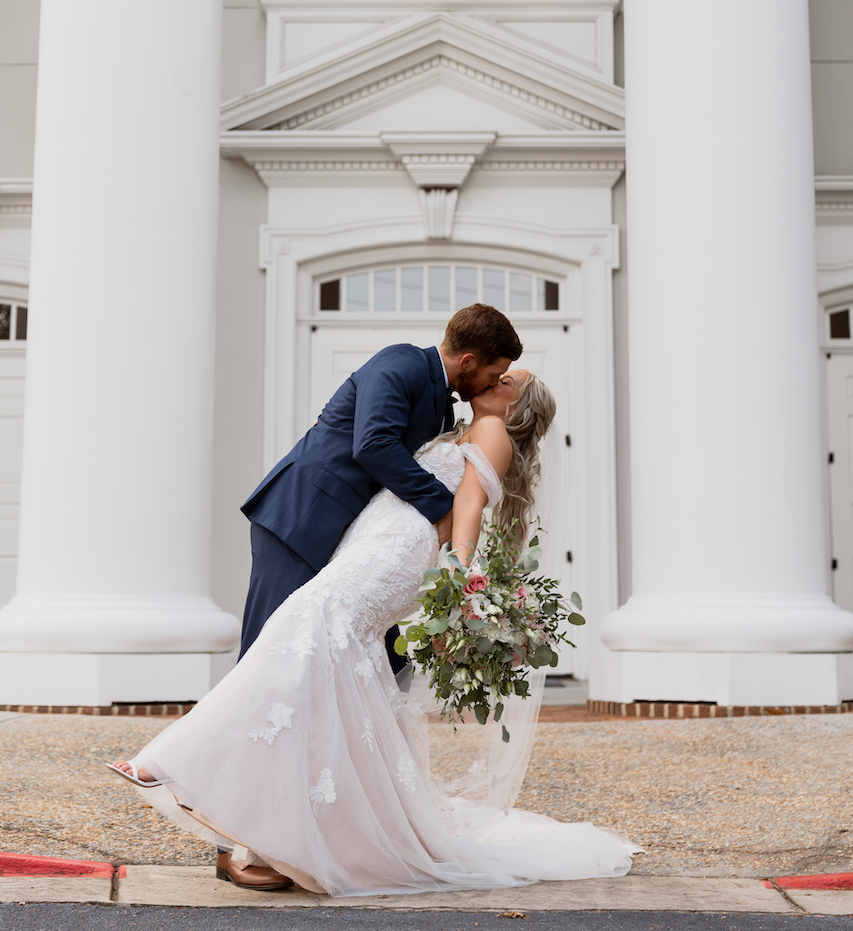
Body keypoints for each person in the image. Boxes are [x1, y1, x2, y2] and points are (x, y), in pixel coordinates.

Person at [109, 370, 637, 896]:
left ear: (517, 405)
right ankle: (279, 824)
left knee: (304, 628)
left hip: (398, 552)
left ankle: (171, 763)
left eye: (510, 379)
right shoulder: (466, 424)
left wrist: (459, 572)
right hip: (378, 539)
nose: (498, 377)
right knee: (321, 662)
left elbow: (469, 505)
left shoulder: (495, 429)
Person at [238, 303, 523, 663]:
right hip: (302, 516)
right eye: (494, 374)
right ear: (468, 362)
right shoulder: (401, 362)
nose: (494, 383)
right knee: (268, 651)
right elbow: (373, 445)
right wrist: (442, 507)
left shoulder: (446, 408)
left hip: (356, 537)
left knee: (374, 662)